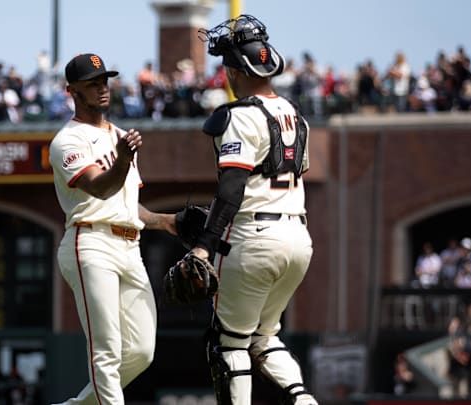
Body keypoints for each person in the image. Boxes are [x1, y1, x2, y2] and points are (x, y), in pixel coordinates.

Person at [190, 15, 318, 405]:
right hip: (298, 238)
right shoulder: (297, 116)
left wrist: (204, 245)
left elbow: (231, 188)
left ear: (233, 70)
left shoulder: (241, 115)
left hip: (254, 236)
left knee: (228, 341)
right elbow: (301, 172)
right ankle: (303, 399)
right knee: (264, 336)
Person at [48, 52, 177, 405]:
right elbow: (100, 188)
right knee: (106, 350)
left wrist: (166, 221)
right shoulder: (67, 141)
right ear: (73, 91)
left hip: (128, 245)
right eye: (92, 84)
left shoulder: (119, 135)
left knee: (141, 350)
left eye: (104, 81)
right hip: (90, 244)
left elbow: (123, 203)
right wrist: (122, 159)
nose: (102, 88)